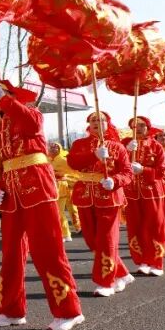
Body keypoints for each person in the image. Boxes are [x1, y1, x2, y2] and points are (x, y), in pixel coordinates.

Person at [0, 79, 84, 330]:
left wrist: (6, 99)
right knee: (11, 253)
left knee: (48, 249)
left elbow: (32, 123)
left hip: (37, 187)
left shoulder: (30, 114)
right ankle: (11, 310)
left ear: (12, 97)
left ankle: (69, 310)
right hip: (11, 193)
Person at [67, 112, 135, 297]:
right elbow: (72, 163)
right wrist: (93, 156)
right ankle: (121, 273)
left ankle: (106, 281)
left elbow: (128, 173)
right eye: (93, 120)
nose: (97, 123)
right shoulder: (79, 144)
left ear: (108, 124)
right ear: (88, 124)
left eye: (101, 120)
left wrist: (115, 180)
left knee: (106, 239)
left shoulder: (117, 147)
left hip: (108, 196)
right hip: (84, 195)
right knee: (92, 240)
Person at [121, 117, 165, 276]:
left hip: (152, 191)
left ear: (148, 127)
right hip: (131, 192)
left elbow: (161, 172)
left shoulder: (156, 146)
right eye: (134, 126)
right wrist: (126, 151)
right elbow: (116, 166)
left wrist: (144, 170)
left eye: (141, 125)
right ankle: (142, 260)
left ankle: (156, 262)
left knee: (154, 225)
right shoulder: (125, 145)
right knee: (134, 226)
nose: (138, 128)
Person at [48, 142, 81, 242]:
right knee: (57, 212)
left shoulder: (63, 160)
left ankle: (73, 229)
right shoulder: (47, 160)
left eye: (56, 147)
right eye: (51, 147)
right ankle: (64, 233)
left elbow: (74, 172)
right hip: (52, 188)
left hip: (63, 187)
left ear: (59, 149)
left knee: (71, 210)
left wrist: (62, 175)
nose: (53, 149)